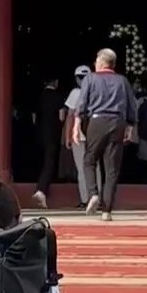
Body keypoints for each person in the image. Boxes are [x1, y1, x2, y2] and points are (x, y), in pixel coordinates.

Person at [72, 49, 138, 221]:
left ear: (100, 62)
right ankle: (107, 210)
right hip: (117, 123)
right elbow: (132, 105)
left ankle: (93, 193)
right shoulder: (123, 81)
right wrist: (130, 127)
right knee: (112, 168)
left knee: (89, 159)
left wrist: (76, 125)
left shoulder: (90, 79)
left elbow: (82, 103)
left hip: (97, 121)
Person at [64, 65, 100, 207]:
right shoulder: (96, 91)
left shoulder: (75, 93)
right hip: (94, 133)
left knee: (81, 167)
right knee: (95, 166)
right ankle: (98, 197)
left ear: (76, 78)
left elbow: (69, 116)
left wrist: (67, 136)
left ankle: (86, 199)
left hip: (78, 135)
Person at [33, 76, 64, 209]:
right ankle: (41, 190)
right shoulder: (58, 97)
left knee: (40, 161)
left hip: (39, 134)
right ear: (56, 82)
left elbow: (34, 117)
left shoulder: (39, 96)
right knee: (49, 162)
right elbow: (62, 117)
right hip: (52, 134)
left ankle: (39, 185)